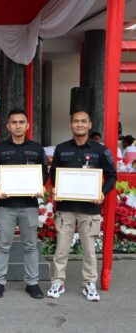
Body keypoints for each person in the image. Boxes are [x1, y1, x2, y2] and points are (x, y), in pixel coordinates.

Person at [47, 110, 117, 302]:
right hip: (66, 207)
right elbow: (53, 174)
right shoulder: (61, 149)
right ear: (71, 125)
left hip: (90, 209)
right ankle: (58, 281)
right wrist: (57, 187)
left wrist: (102, 191)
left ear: (90, 125)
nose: (79, 124)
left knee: (89, 250)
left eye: (83, 121)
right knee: (61, 248)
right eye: (76, 121)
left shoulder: (100, 150)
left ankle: (89, 283)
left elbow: (112, 175)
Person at [0, 109, 48, 299]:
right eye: (14, 122)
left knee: (30, 245)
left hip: (29, 204)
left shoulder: (37, 149)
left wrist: (41, 186)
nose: (18, 126)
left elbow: (44, 173)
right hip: (6, 205)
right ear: (8, 126)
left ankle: (32, 283)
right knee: (3, 245)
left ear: (27, 125)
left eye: (22, 122)